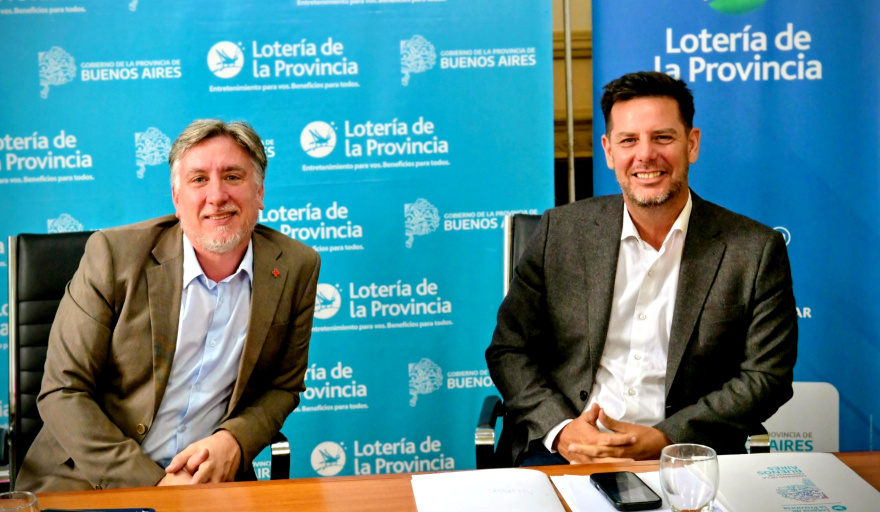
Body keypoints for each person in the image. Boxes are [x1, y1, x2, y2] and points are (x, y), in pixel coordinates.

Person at [486, 71, 797, 466]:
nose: (645, 155)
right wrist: (561, 429)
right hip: (567, 451)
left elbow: (766, 376)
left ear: (692, 144)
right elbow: (510, 349)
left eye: (663, 138)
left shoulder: (754, 250)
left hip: (688, 455)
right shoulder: (559, 233)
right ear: (608, 151)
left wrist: (668, 436)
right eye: (628, 140)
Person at [16, 119, 320, 491]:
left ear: (259, 192)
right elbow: (63, 391)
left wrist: (234, 440)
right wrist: (154, 483)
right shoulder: (114, 256)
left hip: (209, 483)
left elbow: (283, 386)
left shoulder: (296, 266)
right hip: (89, 479)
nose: (216, 195)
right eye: (199, 179)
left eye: (232, 177)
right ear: (177, 199)